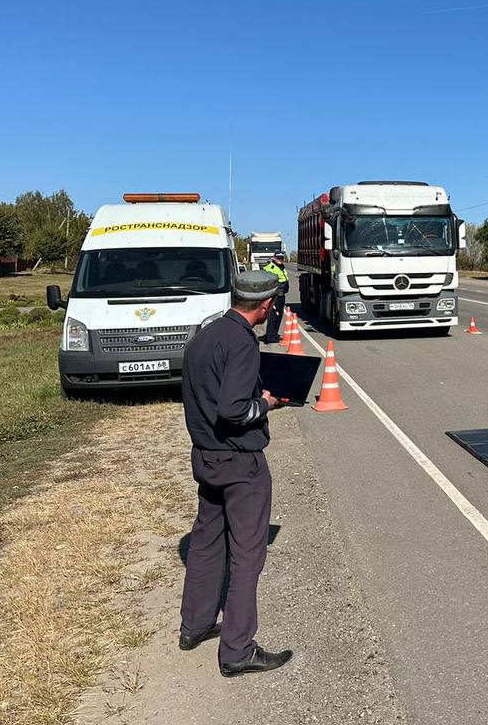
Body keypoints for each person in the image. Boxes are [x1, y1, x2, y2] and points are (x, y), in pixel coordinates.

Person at [179, 270, 293, 677]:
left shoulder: (206, 334)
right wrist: (266, 403)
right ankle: (238, 650)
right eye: (273, 304)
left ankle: (195, 624)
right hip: (239, 463)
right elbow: (233, 410)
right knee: (247, 555)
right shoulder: (243, 343)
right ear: (264, 306)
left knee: (206, 542)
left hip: (206, 458)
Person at [261, 252, 289, 344]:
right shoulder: (271, 268)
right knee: (273, 316)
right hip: (275, 295)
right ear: (274, 258)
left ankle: (274, 334)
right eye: (278, 258)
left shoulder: (281, 267)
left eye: (281, 258)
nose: (280, 260)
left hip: (281, 295)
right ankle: (270, 336)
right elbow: (268, 283)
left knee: (279, 316)